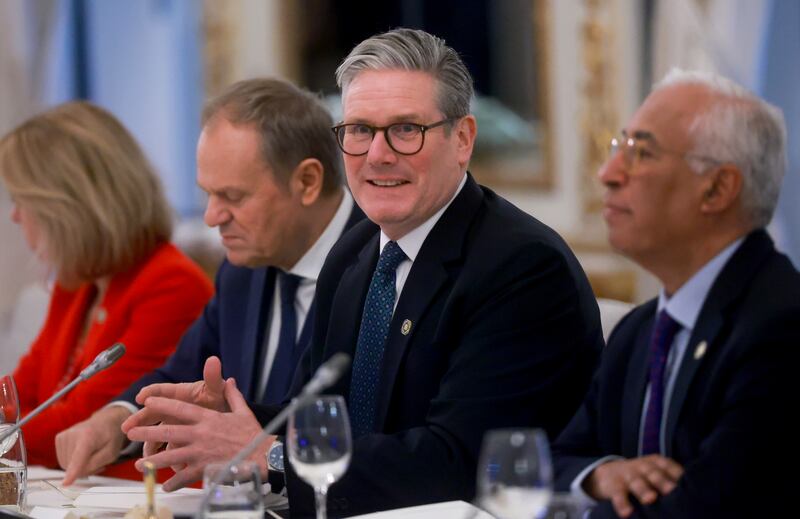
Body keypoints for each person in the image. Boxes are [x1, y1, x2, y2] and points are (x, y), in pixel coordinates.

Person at [122, 28, 603, 516]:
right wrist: (234, 422)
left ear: (462, 139)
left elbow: (458, 461)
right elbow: (318, 417)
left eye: (406, 129)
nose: (377, 154)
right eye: (359, 130)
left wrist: (268, 453)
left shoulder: (523, 267)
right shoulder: (354, 252)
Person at [55, 78, 363, 484]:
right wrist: (115, 420)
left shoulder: (382, 265)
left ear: (307, 182)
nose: (211, 217)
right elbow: (179, 375)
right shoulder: (241, 271)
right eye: (208, 194)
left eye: (233, 197)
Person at [551, 69, 800, 518]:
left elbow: (706, 509)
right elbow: (557, 461)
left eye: (641, 153)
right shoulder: (640, 331)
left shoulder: (781, 327)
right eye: (619, 148)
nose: (607, 174)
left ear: (717, 189)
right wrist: (600, 476)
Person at [0, 101, 213, 468]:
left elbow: (81, 426)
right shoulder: (77, 282)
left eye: (22, 201)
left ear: (70, 207)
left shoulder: (172, 284)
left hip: (133, 492)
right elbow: (16, 397)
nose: (15, 216)